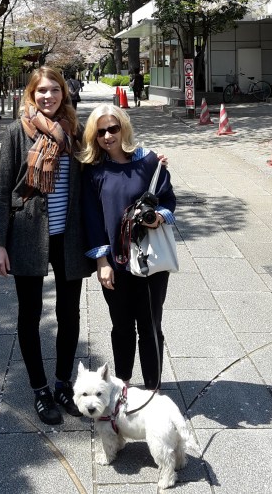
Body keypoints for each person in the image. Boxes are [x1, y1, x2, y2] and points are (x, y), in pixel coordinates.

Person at [0, 66, 93, 425]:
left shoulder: (75, 131)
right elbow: (2, 190)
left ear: (65, 93)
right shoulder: (17, 132)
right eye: (41, 91)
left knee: (69, 312)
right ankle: (40, 389)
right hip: (28, 232)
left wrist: (145, 161)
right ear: (31, 95)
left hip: (69, 235)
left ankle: (63, 383)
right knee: (30, 313)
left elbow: (102, 165)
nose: (48, 97)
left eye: (55, 90)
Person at [78, 104, 176, 390]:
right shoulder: (93, 171)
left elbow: (168, 199)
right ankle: (124, 384)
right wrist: (102, 262)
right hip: (116, 262)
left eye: (113, 128)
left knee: (150, 324)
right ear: (93, 136)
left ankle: (153, 387)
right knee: (121, 325)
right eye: (100, 132)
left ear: (124, 128)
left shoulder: (149, 161)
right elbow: (92, 219)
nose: (108, 136)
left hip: (149, 259)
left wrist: (158, 218)